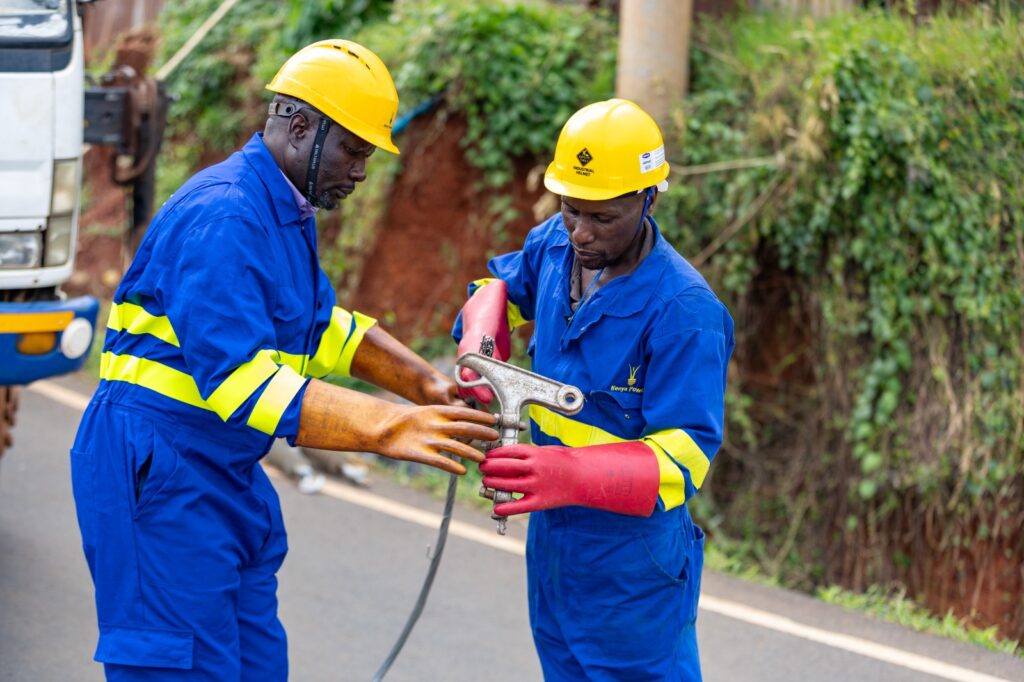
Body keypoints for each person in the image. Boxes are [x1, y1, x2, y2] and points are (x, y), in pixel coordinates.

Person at [70, 40, 498, 681]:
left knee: (255, 667)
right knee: (181, 669)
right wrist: (392, 427)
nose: (359, 172)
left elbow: (321, 329)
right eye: (353, 151)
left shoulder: (284, 211)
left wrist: (426, 386)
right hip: (160, 473)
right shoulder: (224, 215)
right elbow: (244, 383)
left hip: (218, 472)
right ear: (300, 126)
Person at [454, 99, 734, 681]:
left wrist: (565, 475)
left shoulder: (685, 313)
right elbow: (503, 284)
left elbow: (682, 459)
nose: (581, 232)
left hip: (631, 563)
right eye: (570, 210)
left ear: (648, 198)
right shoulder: (555, 247)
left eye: (602, 218)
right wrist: (483, 327)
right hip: (555, 543)